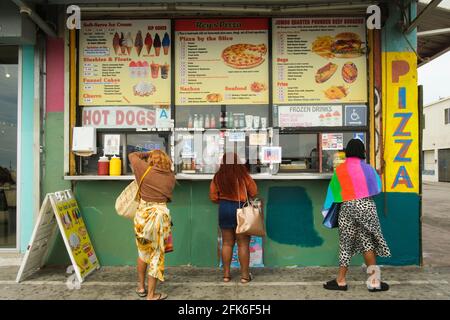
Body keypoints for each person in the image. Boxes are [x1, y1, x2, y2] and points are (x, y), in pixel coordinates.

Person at [322, 139, 391, 292]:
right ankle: (374, 282)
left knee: (346, 243)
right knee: (368, 243)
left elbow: (333, 193)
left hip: (347, 207)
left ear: (347, 152)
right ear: (362, 152)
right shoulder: (369, 169)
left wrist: (327, 210)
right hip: (366, 206)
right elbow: (378, 188)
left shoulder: (339, 170)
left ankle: (341, 281)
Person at [128, 149, 176, 300]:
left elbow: (132, 156)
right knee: (156, 255)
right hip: (160, 218)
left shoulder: (144, 170)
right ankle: (151, 295)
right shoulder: (171, 177)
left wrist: (148, 153)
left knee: (143, 253)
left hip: (142, 217)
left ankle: (141, 287)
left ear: (150, 159)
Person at [209, 153, 258, 283]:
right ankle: (245, 276)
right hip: (241, 208)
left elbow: (213, 197)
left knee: (227, 243)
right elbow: (253, 192)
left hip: (224, 208)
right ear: (238, 161)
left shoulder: (218, 177)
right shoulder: (244, 176)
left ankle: (226, 275)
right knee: (243, 244)